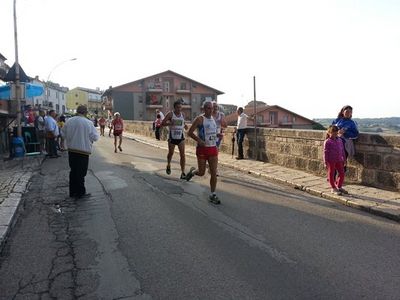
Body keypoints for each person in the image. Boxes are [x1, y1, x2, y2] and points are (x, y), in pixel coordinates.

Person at [185, 100, 221, 204]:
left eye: (212, 108)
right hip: (202, 149)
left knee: (214, 172)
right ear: (204, 109)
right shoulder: (200, 119)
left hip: (213, 149)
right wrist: (199, 140)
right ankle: (192, 173)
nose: (211, 110)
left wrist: (217, 136)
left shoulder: (213, 119)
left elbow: (212, 133)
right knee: (201, 173)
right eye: (209, 108)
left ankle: (212, 194)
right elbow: (189, 132)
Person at [62, 105, 99, 199]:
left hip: (72, 150)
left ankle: (72, 192)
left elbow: (62, 134)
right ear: (85, 112)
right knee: (81, 173)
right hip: (83, 151)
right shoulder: (88, 123)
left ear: (77, 111)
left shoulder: (69, 121)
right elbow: (95, 137)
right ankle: (80, 192)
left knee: (73, 171)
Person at [161, 100, 188, 179]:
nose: (179, 109)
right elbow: (162, 123)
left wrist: (185, 126)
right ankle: (168, 164)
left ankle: (183, 172)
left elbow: (183, 122)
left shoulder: (183, 114)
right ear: (174, 107)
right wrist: (170, 123)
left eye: (180, 107)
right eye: (177, 107)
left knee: (182, 155)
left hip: (181, 137)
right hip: (172, 137)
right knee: (171, 153)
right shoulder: (170, 114)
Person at [323, 125, 347, 195]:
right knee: (331, 174)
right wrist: (325, 162)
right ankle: (333, 188)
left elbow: (342, 150)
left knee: (342, 173)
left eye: (336, 133)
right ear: (329, 133)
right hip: (331, 160)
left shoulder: (339, 140)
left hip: (339, 159)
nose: (335, 135)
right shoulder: (327, 142)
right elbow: (325, 152)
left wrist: (344, 159)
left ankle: (339, 186)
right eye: (333, 133)